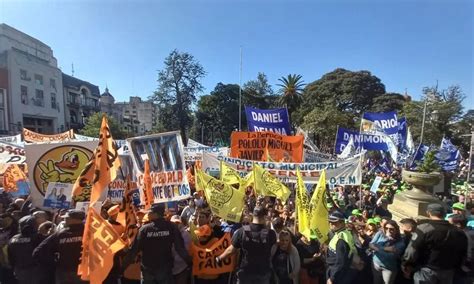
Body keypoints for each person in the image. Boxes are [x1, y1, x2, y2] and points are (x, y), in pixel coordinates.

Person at [123, 203, 191, 284]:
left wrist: (122, 268)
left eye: (150, 212)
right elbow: (180, 249)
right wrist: (190, 263)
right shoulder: (172, 227)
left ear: (156, 214)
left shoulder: (144, 230)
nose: (148, 214)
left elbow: (133, 252)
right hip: (165, 270)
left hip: (148, 271)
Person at [402, 203, 468, 284]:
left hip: (426, 270)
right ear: (444, 214)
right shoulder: (459, 232)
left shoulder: (424, 229)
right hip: (448, 271)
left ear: (428, 213)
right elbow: (463, 252)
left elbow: (412, 249)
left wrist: (406, 264)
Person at [217, 206, 277, 284]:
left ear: (253, 215)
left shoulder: (242, 231)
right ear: (264, 216)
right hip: (263, 273)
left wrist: (219, 258)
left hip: (244, 273)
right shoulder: (271, 234)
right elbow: (273, 249)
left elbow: (231, 250)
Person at [33, 209, 86, 284]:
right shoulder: (90, 233)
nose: (64, 219)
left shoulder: (60, 234)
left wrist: (54, 263)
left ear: (73, 219)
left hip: (65, 273)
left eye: (66, 218)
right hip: (84, 272)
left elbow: (39, 252)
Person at [369, 220, 406, 284]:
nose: (388, 230)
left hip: (388, 268)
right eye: (386, 228)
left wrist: (376, 248)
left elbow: (390, 256)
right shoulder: (380, 233)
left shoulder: (400, 243)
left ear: (396, 230)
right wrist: (385, 248)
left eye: (391, 229)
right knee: (376, 282)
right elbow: (370, 244)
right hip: (376, 264)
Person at [7, 215, 41, 284]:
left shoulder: (13, 239)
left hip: (19, 270)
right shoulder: (37, 237)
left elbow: (10, 257)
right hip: (34, 270)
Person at [326, 211, 357, 284]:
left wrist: (332, 278)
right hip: (339, 271)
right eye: (330, 222)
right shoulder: (343, 233)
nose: (331, 224)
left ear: (342, 223)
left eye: (334, 222)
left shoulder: (341, 239)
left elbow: (341, 262)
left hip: (338, 274)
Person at [171, 215, 191, 284]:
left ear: (181, 224)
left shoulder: (186, 235)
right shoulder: (168, 234)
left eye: (177, 223)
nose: (176, 225)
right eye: (174, 223)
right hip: (170, 268)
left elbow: (187, 250)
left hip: (182, 267)